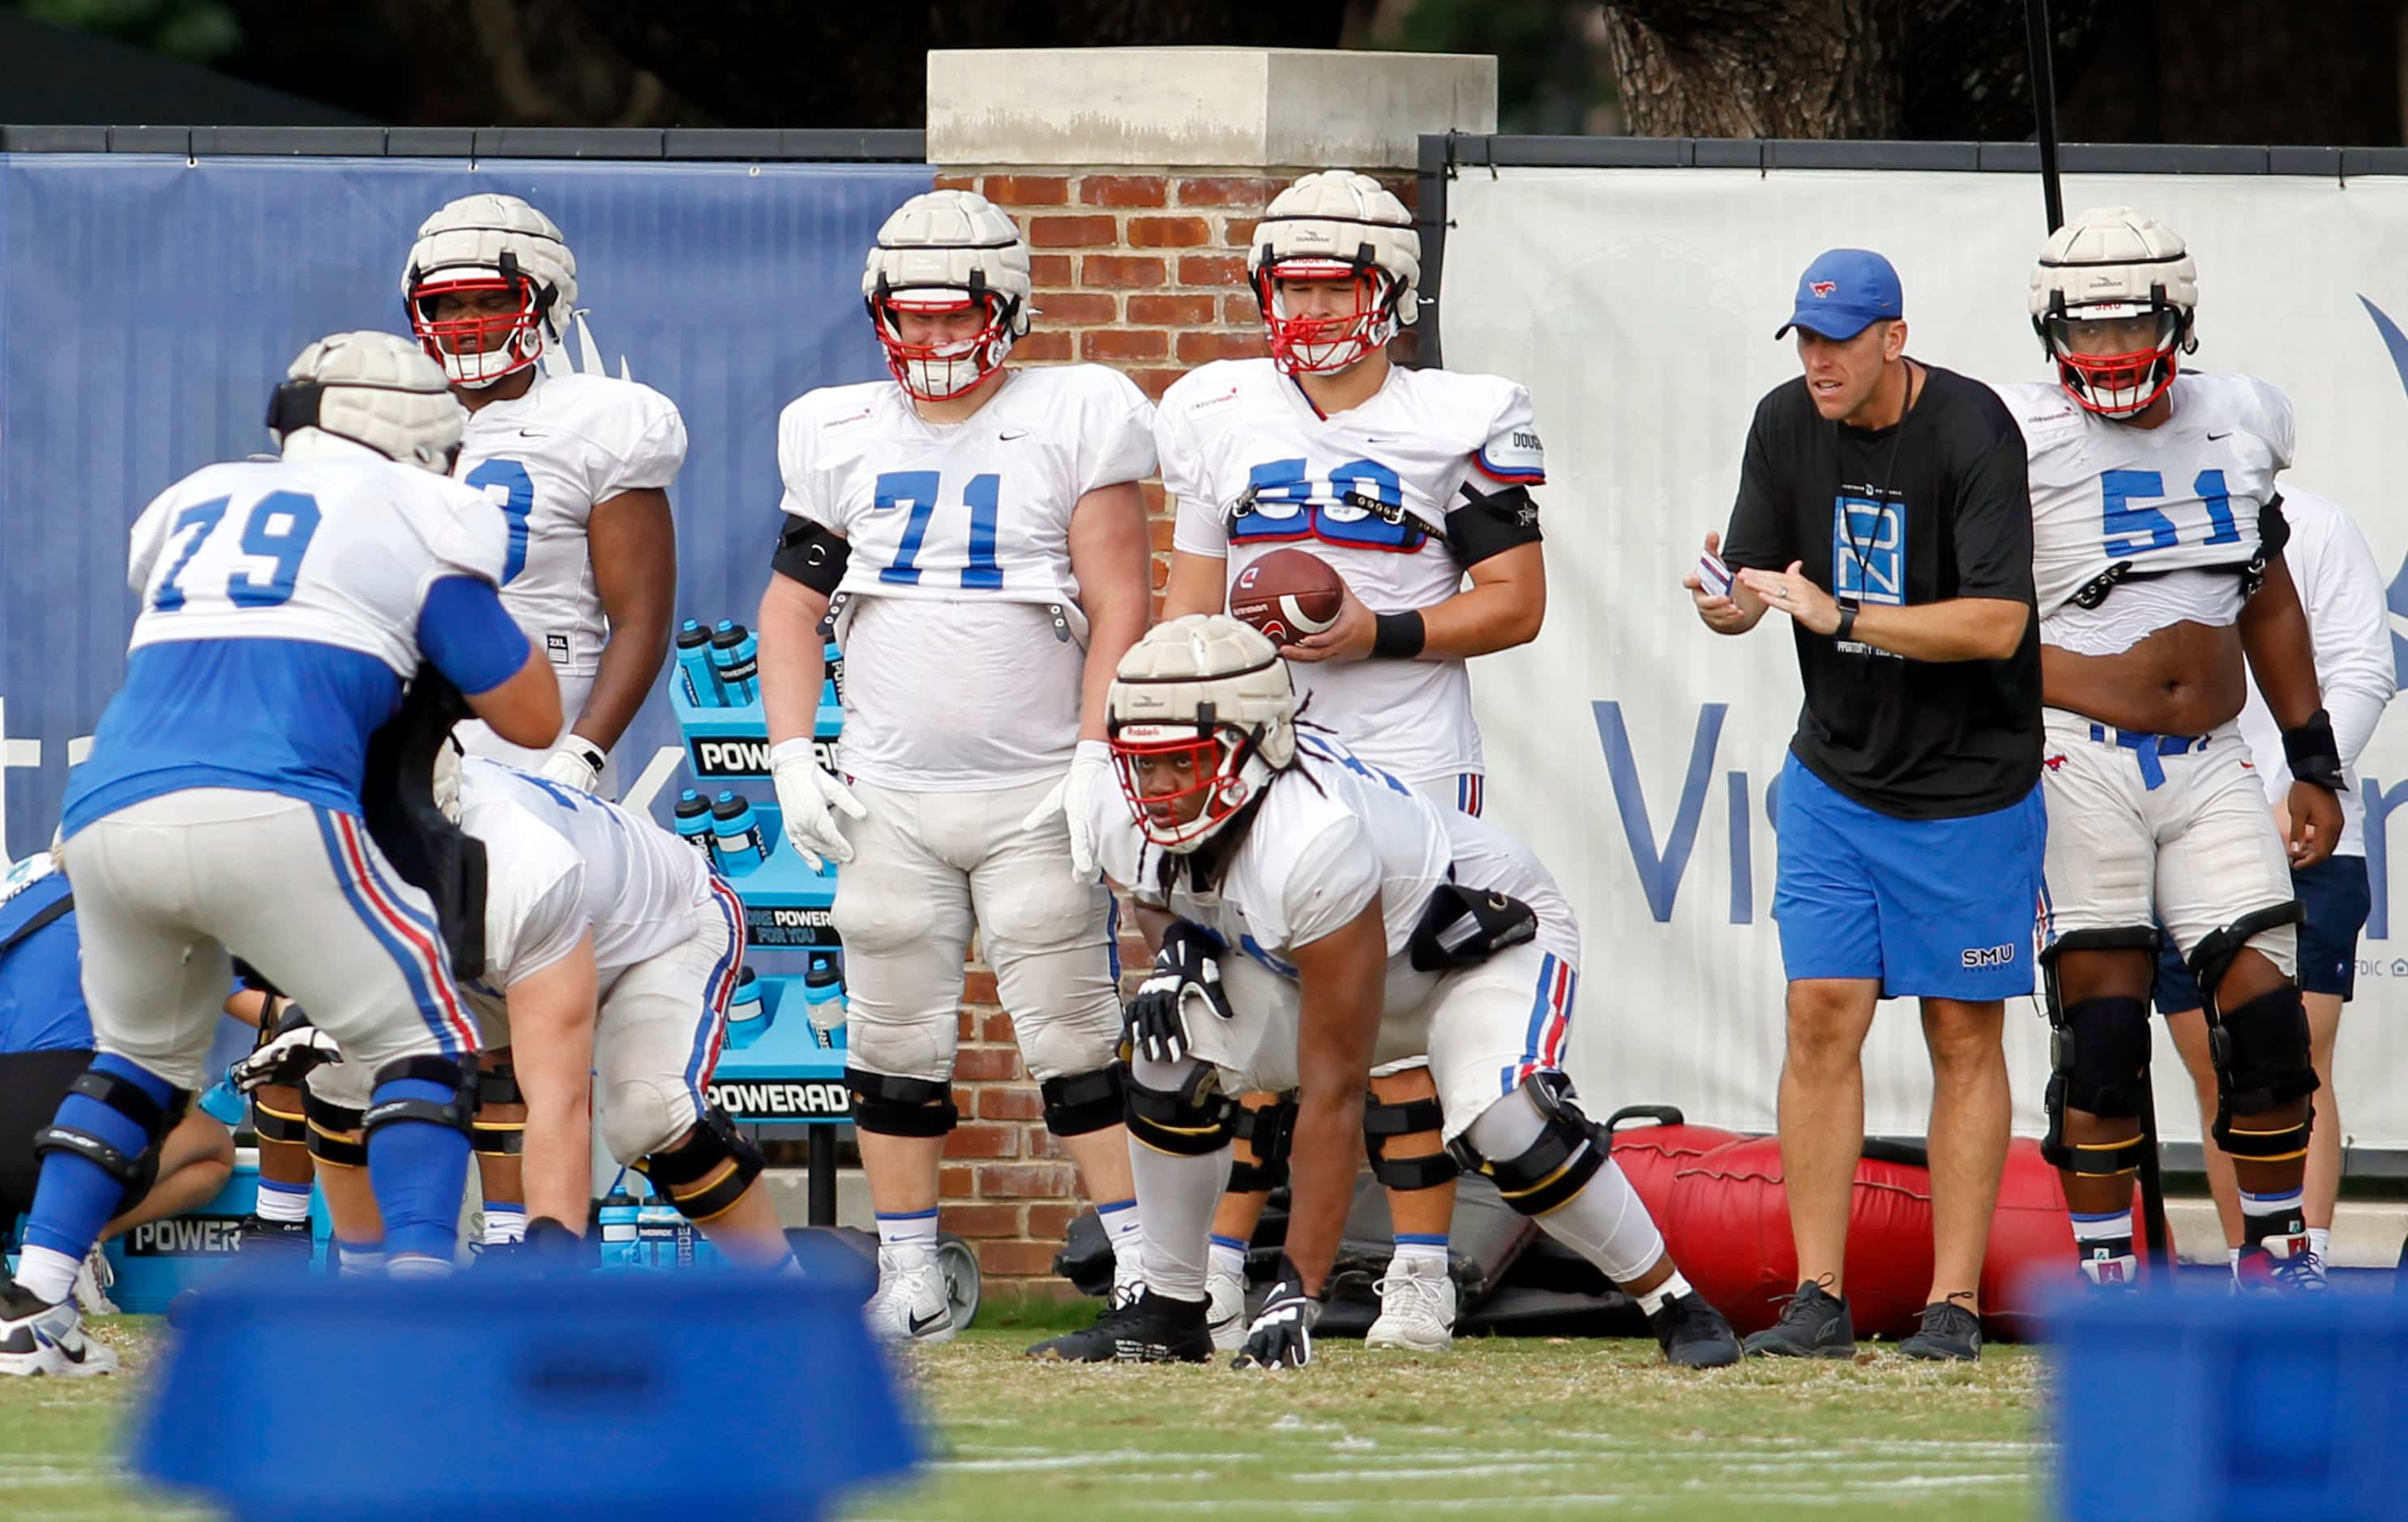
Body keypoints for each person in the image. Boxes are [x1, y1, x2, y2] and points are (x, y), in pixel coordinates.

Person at [0, 332, 560, 1375]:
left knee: (136, 1065)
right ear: (414, 430)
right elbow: (531, 714)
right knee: (428, 1040)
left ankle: (31, 1302)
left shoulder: (197, 500)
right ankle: (419, 1303)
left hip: (105, 815)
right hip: (267, 800)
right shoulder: (413, 509)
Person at [1028, 616, 1738, 1368]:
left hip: (1471, 950)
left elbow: (1333, 1090)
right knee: (1163, 1054)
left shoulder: (1311, 838)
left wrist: (1297, 1289)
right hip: (1313, 962)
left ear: (1260, 744)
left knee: (1508, 1127)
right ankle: (1170, 1311)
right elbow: (1157, 892)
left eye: (1188, 761)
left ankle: (1672, 1299)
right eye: (1145, 763)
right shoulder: (1114, 801)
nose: (1160, 789)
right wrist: (1177, 948)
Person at [1155, 169, 1549, 1353]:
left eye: (1336, 285)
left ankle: (1419, 1270)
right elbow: (1185, 605)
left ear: (1393, 291)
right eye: (1292, 284)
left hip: (1403, 743)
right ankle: (1216, 1271)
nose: (1313, 310)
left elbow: (1515, 602)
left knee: (1394, 1030)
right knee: (1239, 1017)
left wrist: (1373, 631)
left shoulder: (1460, 414)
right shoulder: (1214, 406)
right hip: (1255, 752)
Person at [754, 189, 1155, 1345]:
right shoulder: (836, 429)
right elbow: (792, 604)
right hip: (889, 792)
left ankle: (1146, 1265)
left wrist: (1096, 754)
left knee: (1074, 1036)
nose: (928, 342)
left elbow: (1119, 597)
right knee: (889, 1042)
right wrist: (790, 751)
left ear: (1005, 308)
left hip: (1034, 788)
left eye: (949, 317)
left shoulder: (1074, 412)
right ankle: (913, 1273)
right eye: (907, 319)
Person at [1685, 248, 2043, 1362]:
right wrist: (1723, 601)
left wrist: (1838, 616)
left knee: (1958, 1032)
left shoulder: (1973, 428)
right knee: (1817, 1016)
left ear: (1894, 338)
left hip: (1969, 785)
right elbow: (1752, 593)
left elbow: (1993, 624)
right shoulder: (1782, 421)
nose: (1816, 360)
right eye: (1803, 339)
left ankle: (1952, 1304)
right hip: (1834, 774)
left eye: (1837, 341)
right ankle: (1816, 1297)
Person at [1991, 206, 2343, 1295]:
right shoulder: (2007, 433)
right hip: (2070, 753)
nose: (2102, 352)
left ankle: (2276, 1256)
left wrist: (2312, 754)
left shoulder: (2238, 419)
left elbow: (2265, 593)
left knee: (2267, 1021)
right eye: (2081, 330)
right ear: (2047, 328)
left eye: (2124, 325)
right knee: (2097, 1033)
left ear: (2176, 315)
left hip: (2209, 757)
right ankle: (2105, 1276)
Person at [403, 191, 687, 1254]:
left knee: (531, 1030)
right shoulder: (392, 417)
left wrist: (585, 749)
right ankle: (431, 1252)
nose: (468, 325)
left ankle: (540, 1242)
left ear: (545, 299)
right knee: (403, 1025)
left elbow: (640, 615)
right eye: (446, 305)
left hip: (537, 750)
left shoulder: (600, 422)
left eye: (490, 300)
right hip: (419, 753)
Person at [281, 750, 792, 1271]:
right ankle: (369, 1293)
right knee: (332, 1059)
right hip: (487, 956)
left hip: (654, 936)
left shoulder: (522, 870)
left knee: (648, 1110)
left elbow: (558, 1103)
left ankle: (786, 1294)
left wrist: (551, 1261)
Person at [2148, 486, 2392, 1287]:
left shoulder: (2318, 525)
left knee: (2294, 1057)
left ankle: (2304, 1269)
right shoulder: (2131, 526)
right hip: (2169, 831)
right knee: (2213, 1066)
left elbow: (2362, 666)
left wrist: (2298, 782)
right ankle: (2247, 1270)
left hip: (2307, 831)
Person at [0, 849, 237, 1320]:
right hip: (56, 1121)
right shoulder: (147, 896)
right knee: (212, 1146)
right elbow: (253, 999)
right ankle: (76, 1239)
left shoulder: (19, 895)